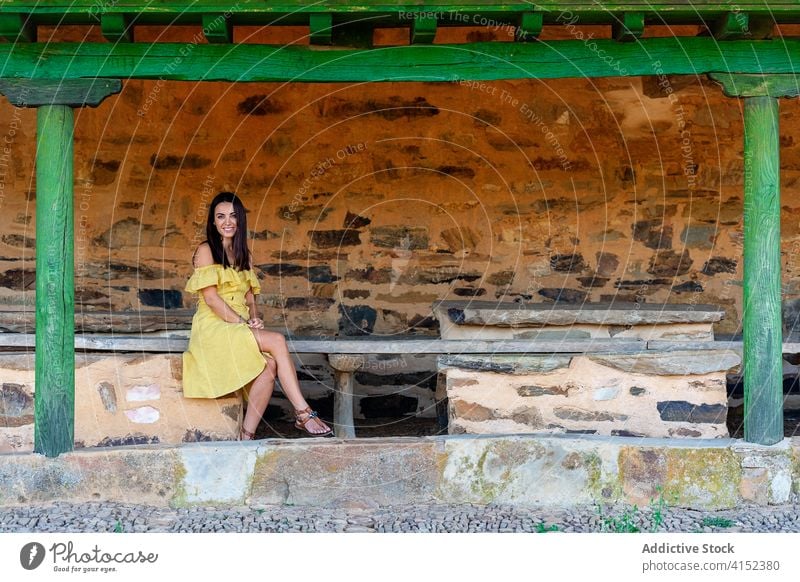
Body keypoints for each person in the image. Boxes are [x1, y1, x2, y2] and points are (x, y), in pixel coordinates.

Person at [182, 191, 332, 439]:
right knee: (277, 340)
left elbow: (251, 298)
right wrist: (243, 324)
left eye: (233, 216)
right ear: (213, 222)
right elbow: (211, 299)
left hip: (238, 325)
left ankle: (246, 435)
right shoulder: (206, 250)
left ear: (240, 220)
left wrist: (255, 318)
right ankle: (304, 413)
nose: (227, 222)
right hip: (214, 327)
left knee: (269, 365)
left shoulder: (244, 255)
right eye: (220, 217)